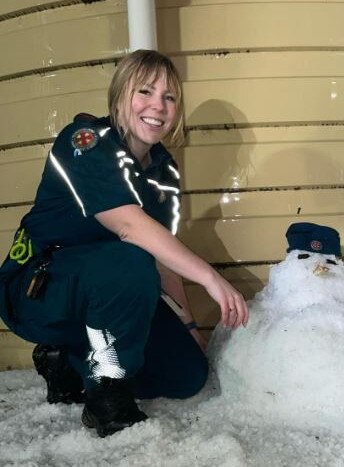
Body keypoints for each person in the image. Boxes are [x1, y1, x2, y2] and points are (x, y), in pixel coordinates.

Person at [0, 50, 249, 437]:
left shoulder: (162, 169)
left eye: (169, 97)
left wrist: (189, 329)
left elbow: (164, 258)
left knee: (186, 375)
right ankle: (106, 393)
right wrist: (212, 280)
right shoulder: (85, 142)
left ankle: (68, 360)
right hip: (37, 289)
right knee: (129, 261)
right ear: (119, 97)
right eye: (145, 91)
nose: (158, 106)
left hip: (105, 292)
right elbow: (131, 228)